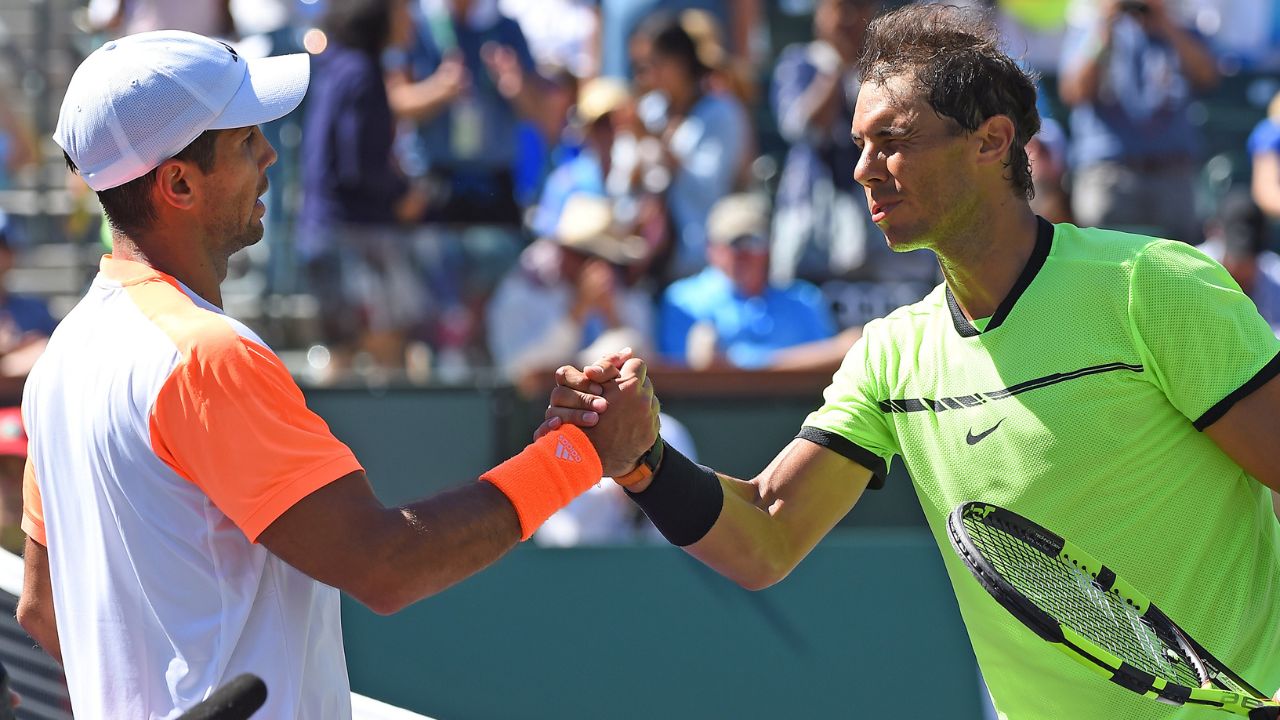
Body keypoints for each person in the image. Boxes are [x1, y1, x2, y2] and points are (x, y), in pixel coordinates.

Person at [546, 5, 1280, 718]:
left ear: (993, 142)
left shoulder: (1151, 285)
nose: (864, 169)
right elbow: (766, 534)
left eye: (893, 139)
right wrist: (644, 463)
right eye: (860, 143)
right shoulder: (894, 354)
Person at [20, 30, 654, 719]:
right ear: (177, 183)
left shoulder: (60, 361)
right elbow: (385, 563)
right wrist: (579, 453)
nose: (269, 154)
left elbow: (41, 610)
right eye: (243, 142)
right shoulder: (206, 356)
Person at [297, 0, 431, 380]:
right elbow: (359, 165)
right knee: (376, 344)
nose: (412, 22)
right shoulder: (360, 72)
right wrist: (404, 193)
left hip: (330, 230)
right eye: (404, 12)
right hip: (352, 236)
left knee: (350, 347)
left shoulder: (341, 67)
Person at [1057, 0, 1218, 242]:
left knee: (1177, 264)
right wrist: (1105, 30)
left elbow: (1207, 76)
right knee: (1104, 258)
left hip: (1172, 171)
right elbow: (1074, 90)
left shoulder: (1178, 28)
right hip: (1109, 173)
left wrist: (1165, 23)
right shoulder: (1091, 30)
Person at [487, 193, 654, 384]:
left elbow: (648, 371)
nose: (599, 269)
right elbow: (519, 370)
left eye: (608, 260)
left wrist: (612, 316)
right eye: (585, 255)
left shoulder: (630, 298)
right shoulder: (520, 295)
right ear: (564, 251)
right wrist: (577, 311)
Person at [657, 193, 838, 370]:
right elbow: (678, 372)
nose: (743, 253)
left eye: (753, 241)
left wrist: (732, 365)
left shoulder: (804, 299)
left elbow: (831, 362)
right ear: (711, 248)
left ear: (769, 248)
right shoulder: (683, 301)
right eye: (734, 242)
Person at [1198, 191, 1280, 331]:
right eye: (1237, 257)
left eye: (1249, 258)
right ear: (1216, 235)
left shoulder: (1274, 273)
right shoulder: (1193, 268)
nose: (1243, 267)